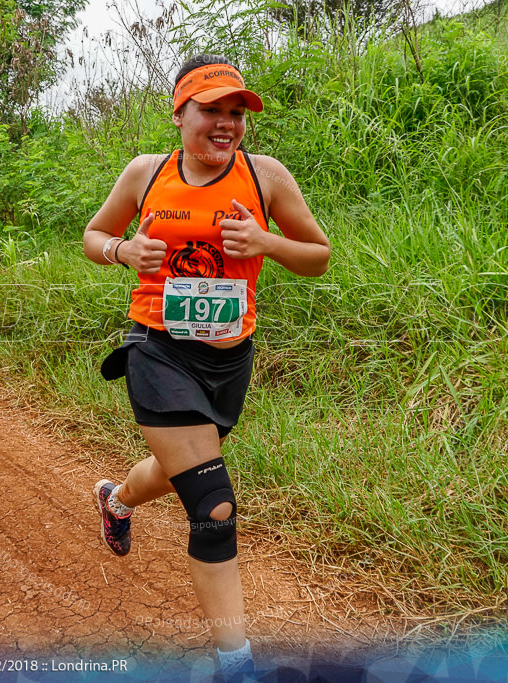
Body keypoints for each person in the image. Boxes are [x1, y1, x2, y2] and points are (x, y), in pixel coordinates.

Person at [83, 55, 330, 678]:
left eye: (236, 113)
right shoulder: (146, 174)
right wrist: (124, 250)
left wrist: (268, 243)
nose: (226, 124)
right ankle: (236, 661)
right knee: (213, 505)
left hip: (229, 359)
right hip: (158, 349)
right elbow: (94, 235)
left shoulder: (265, 177)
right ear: (180, 114)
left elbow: (319, 256)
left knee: (179, 473)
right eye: (211, 111)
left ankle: (116, 498)